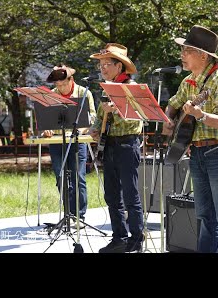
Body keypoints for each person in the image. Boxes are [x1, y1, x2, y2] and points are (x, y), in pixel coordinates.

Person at [162, 25, 218, 253]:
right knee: (205, 215)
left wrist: (201, 115)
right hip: (196, 152)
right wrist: (169, 121)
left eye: (186, 50)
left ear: (203, 55)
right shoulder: (188, 82)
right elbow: (173, 104)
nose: (182, 55)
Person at [88, 43, 144, 253]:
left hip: (127, 144)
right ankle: (119, 237)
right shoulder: (106, 88)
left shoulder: (132, 87)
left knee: (130, 195)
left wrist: (117, 109)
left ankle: (136, 239)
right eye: (101, 64)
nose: (102, 68)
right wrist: (95, 129)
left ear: (119, 66)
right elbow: (100, 117)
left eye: (107, 64)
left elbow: (136, 119)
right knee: (111, 195)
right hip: (110, 145)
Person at [42, 64, 96, 225]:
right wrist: (47, 130)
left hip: (77, 140)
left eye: (63, 84)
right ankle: (68, 214)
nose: (61, 88)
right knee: (61, 177)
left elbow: (92, 116)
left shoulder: (84, 93)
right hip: (57, 142)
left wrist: (82, 129)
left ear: (71, 79)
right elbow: (46, 120)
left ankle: (79, 216)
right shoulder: (51, 95)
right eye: (57, 85)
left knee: (78, 177)